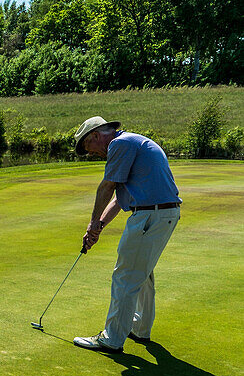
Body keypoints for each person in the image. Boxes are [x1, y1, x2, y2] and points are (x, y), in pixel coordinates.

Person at [71, 116, 181, 354]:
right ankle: (139, 328)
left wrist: (91, 223)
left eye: (88, 147)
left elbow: (106, 187)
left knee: (125, 275)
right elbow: (120, 200)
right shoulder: (131, 142)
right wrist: (99, 225)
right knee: (141, 273)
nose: (90, 154)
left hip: (151, 215)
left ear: (96, 136)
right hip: (163, 213)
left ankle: (111, 338)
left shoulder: (119, 145)